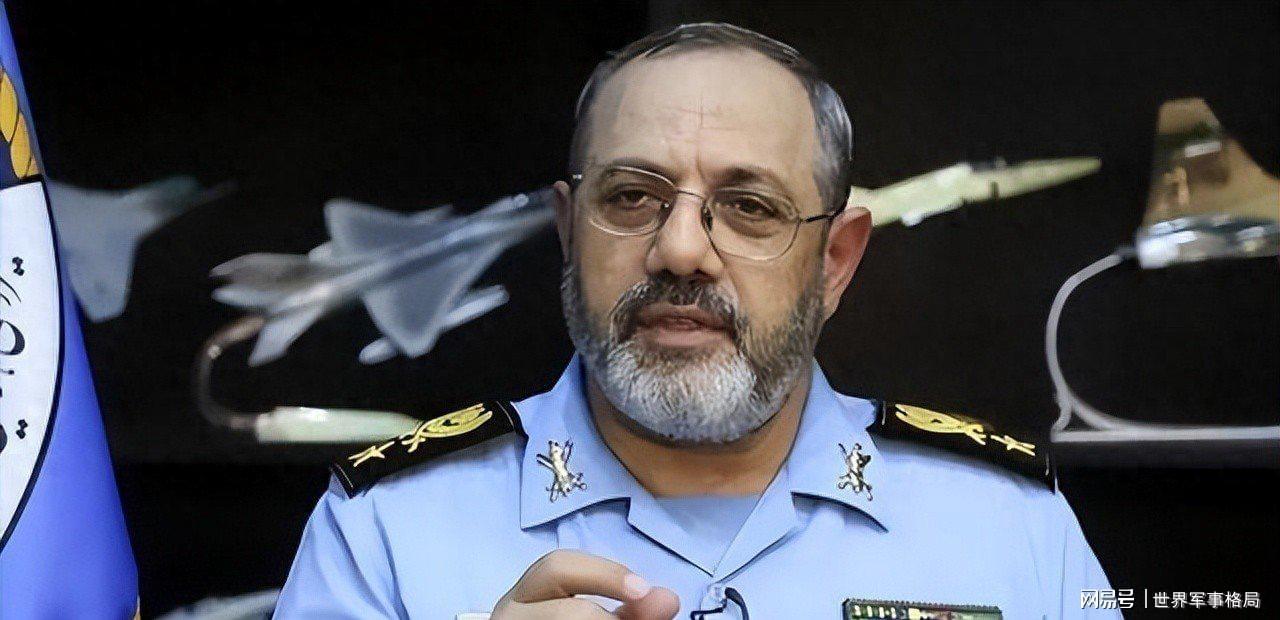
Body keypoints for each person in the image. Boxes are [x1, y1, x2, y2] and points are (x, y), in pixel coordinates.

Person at [275, 23, 1117, 619]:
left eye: (749, 207)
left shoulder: (1008, 526)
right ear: (569, 232)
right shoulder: (384, 529)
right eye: (631, 197)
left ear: (835, 260)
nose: (681, 250)